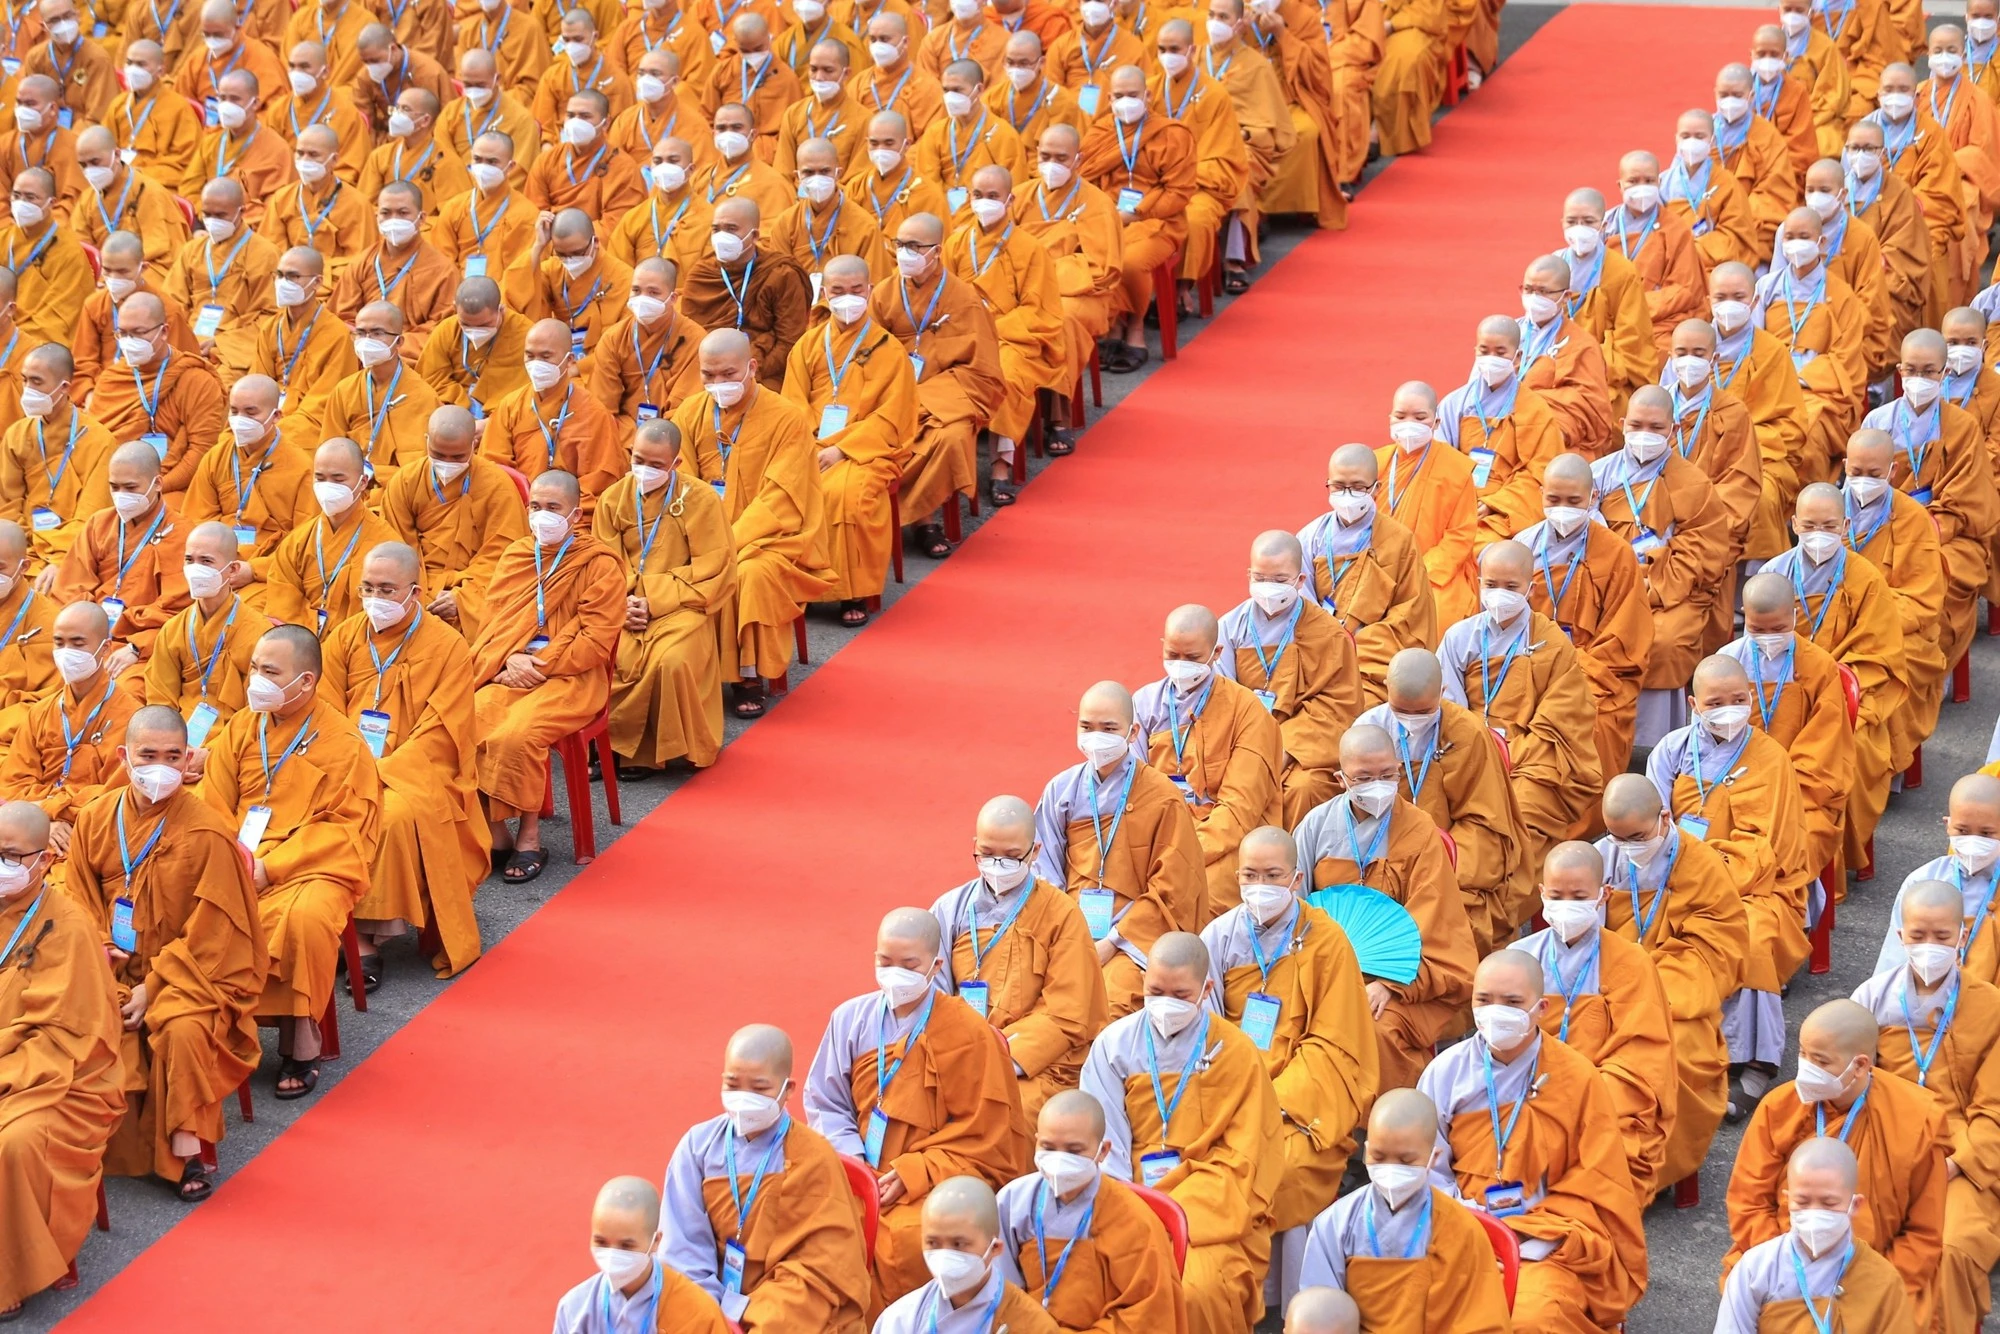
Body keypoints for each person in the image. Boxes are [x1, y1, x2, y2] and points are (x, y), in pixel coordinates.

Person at [64, 705, 262, 1199]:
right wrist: (105, 958)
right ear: (123, 757)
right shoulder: (94, 818)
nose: (160, 767)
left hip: (187, 972)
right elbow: (76, 903)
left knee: (183, 1026)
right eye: (147, 755)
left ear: (189, 759)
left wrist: (152, 988)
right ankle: (75, 1143)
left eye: (172, 757)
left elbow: (214, 935)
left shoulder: (208, 831)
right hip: (106, 962)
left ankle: (185, 1147)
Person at [804, 907, 1032, 1307]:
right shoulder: (849, 1019)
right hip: (857, 1171)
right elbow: (826, 1102)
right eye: (885, 962)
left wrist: (914, 1171)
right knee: (807, 1227)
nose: (896, 973)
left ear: (936, 964)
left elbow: (987, 1138)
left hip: (934, 1181)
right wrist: (856, 1165)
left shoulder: (967, 1033)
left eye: (910, 965)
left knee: (908, 1243)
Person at [1416, 949, 1649, 1331]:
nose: (1495, 1011)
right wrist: (1467, 1228)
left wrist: (1526, 1239)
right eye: (1484, 1000)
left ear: (1540, 1008)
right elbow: (1425, 1165)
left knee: (1534, 1317)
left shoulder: (1578, 1077)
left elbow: (1596, 1181)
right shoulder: (1445, 1073)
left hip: (1542, 1238)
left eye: (1511, 1003)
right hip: (1454, 1227)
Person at [199, 624, 378, 1100]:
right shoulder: (242, 727)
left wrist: (270, 867)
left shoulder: (343, 742)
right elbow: (211, 802)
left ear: (306, 682)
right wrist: (230, 856)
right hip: (238, 854)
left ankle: (301, 1035)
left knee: (303, 917)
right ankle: (207, 1028)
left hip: (312, 863)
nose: (256, 679)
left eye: (270, 672)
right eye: (254, 668)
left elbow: (343, 827)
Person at [1079, 930, 1281, 1334]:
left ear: (1207, 989)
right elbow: (1104, 1145)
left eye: (1181, 994)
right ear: (1143, 982)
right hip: (1131, 1197)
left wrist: (1178, 1210)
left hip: (1210, 1209)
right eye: (1156, 990)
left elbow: (1244, 1157)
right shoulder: (1113, 1046)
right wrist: (1132, 1208)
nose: (1166, 1003)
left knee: (1198, 1291)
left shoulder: (1236, 1052)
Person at [1202, 826, 1376, 1267]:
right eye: (1249, 876)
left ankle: (1282, 1296)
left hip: (1297, 1099)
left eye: (1273, 875)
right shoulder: (1219, 936)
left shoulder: (1327, 940)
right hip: (1230, 1083)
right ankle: (1225, 1277)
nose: (1260, 887)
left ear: (1296, 880)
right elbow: (1205, 1029)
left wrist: (1276, 1101)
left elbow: (1335, 1042)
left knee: (1287, 1166)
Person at [319, 542, 488, 982]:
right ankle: (329, 923)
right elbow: (325, 713)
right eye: (368, 588)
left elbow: (440, 732)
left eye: (388, 590)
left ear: (415, 592)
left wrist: (383, 770)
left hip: (418, 772)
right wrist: (350, 765)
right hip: (347, 764)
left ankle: (365, 936)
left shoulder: (448, 645)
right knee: (318, 811)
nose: (376, 599)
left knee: (389, 817)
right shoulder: (344, 636)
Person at [1724, 998, 1949, 1328]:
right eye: (1802, 1054)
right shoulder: (1780, 1107)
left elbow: (1924, 1233)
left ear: (1859, 1065)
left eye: (1820, 1060)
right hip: (1784, 1265)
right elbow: (1747, 1203)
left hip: (1877, 1275)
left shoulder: (1916, 1119)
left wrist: (1870, 1281)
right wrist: (1786, 1267)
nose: (1805, 1067)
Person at [1291, 723, 1477, 1090]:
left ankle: (1388, 1133)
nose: (1378, 785)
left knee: (1377, 1029)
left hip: (1401, 979)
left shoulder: (1419, 830)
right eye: (1363, 777)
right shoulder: (1315, 825)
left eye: (1387, 775)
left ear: (1398, 772)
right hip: (1325, 967)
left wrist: (1391, 985)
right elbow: (1295, 909)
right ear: (1341, 779)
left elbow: (1434, 921)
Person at [658, 1024, 873, 1331]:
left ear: (788, 1091)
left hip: (783, 1300)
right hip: (709, 1292)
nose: (744, 1099)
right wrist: (710, 1307)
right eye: (733, 1086)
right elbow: (682, 1245)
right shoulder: (697, 1146)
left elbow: (826, 1267)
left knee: (782, 1320)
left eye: (759, 1089)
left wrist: (743, 1309)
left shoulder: (815, 1157)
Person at [0, 799, 123, 1323]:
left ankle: (10, 1275)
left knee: (13, 1143)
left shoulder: (68, 926)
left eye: (10, 856)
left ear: (43, 861)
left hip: (59, 1079)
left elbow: (65, 1039)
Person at [670, 328, 834, 715]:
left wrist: (731, 540)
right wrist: (701, 536)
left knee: (749, 573)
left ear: (752, 368)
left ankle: (747, 675)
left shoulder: (787, 418)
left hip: (770, 538)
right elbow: (682, 483)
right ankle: (688, 669)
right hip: (701, 532)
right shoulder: (690, 412)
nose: (718, 384)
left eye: (728, 374)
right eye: (709, 375)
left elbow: (781, 497)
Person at [471, 469, 623, 884]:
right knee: (468, 720)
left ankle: (530, 836)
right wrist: (509, 662)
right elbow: (492, 627)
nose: (542, 516)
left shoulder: (600, 564)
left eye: (553, 508)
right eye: (535, 507)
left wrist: (537, 665)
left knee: (516, 735)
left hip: (570, 678)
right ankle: (496, 831)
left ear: (575, 515)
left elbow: (594, 641)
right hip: (512, 670)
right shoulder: (517, 556)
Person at [1596, 772, 1744, 1188]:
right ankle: (1591, 1171)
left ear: (1664, 818)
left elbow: (1715, 949)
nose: (1626, 848)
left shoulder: (1702, 865)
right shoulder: (1602, 856)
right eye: (1615, 836)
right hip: (1606, 988)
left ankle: (1648, 1172)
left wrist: (1647, 987)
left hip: (1675, 994)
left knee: (1676, 1053)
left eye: (1637, 836)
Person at [1031, 680, 1204, 1018]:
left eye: (1109, 728)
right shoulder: (1061, 790)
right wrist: (1067, 933)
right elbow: (1044, 870)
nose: (1097, 736)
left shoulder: (1161, 797)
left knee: (1105, 1005)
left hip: (1131, 938)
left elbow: (1173, 888)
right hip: (1068, 928)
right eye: (1087, 727)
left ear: (1132, 730)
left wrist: (1112, 941)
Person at [929, 795, 1107, 1117]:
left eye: (1011, 857)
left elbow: (1067, 1011)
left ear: (1034, 852)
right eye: (987, 854)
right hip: (958, 1053)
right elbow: (933, 996)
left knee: (1005, 1113)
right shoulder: (949, 909)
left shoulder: (1061, 914)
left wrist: (1003, 1057)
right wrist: (960, 1053)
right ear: (975, 846)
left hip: (1029, 1063)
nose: (997, 866)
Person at [1520, 840, 1678, 1201]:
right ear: (1542, 893)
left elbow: (1639, 1057)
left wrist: (1583, 1098)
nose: (1566, 906)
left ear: (1603, 895)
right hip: (1530, 1087)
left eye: (1579, 897)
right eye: (1557, 895)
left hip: (1604, 1096)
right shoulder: (1520, 958)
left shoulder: (1630, 962)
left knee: (1603, 1152)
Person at [1761, 482, 1907, 867]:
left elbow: (1879, 654)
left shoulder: (1866, 578)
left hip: (1844, 689)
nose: (1818, 535)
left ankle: (1836, 852)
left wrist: (1830, 678)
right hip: (1781, 687)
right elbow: (1756, 649)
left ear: (1845, 525)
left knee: (1850, 750)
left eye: (1828, 526)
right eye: (1809, 526)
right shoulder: (1772, 574)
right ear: (1794, 524)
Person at [1438, 539, 1602, 867]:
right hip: (1468, 745)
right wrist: (1479, 743)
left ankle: (1510, 894)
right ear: (1478, 583)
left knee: (1522, 814)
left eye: (1511, 586)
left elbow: (1561, 714)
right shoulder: (1459, 636)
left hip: (1530, 753)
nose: (1500, 593)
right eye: (1492, 584)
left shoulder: (1551, 641)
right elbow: (1447, 705)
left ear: (1530, 588)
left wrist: (1512, 750)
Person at [1294, 1087, 1512, 1332]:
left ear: (1433, 1157)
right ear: (1365, 1150)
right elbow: (1319, 1312)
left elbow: (1480, 1321)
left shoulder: (1462, 1230)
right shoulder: (1334, 1223)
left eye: (1406, 1161)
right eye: (1378, 1156)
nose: (1390, 1168)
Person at [1354, 648, 1528, 953]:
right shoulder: (1368, 730)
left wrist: (1434, 864)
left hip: (1451, 854)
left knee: (1455, 917)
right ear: (1387, 689)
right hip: (1380, 851)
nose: (1411, 720)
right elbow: (1351, 811)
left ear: (1443, 692)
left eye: (1422, 712)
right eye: (1400, 710)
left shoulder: (1467, 731)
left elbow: (1486, 825)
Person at [1592, 385, 1732, 746]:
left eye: (1656, 428)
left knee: (1664, 641)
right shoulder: (1598, 475)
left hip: (1666, 590)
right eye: (1637, 425)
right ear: (1622, 424)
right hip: (1604, 585)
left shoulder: (1693, 482)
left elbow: (1704, 550)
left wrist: (1653, 584)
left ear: (1672, 431)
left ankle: (1653, 744)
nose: (1645, 435)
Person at [780, 254, 914, 625]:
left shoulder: (890, 350)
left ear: (869, 291)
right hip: (811, 445)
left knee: (846, 495)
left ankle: (852, 591)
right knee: (783, 490)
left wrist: (843, 448)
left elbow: (893, 417)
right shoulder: (807, 346)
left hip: (864, 452)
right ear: (824, 293)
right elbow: (792, 404)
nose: (847, 298)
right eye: (838, 291)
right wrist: (812, 446)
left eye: (856, 290)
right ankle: (797, 583)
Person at [595, 418, 734, 775]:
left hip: (683, 607)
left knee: (669, 661)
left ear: (676, 464)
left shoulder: (700, 499)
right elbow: (604, 565)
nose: (645, 470)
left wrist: (652, 599)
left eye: (656, 465)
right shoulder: (613, 499)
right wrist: (622, 603)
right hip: (624, 607)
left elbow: (713, 569)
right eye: (639, 460)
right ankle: (610, 745)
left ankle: (654, 750)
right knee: (606, 656)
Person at [1863, 328, 2000, 679]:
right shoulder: (1877, 422)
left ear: (1943, 373)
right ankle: (1876, 668)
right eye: (1912, 370)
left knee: (1935, 578)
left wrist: (1926, 529)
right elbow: (1861, 489)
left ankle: (1923, 671)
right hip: (1886, 525)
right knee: (1864, 581)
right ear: (1899, 371)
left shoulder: (1962, 426)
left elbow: (1969, 499)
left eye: (1928, 371)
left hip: (1948, 534)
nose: (1919, 379)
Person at [1515, 452, 1651, 796]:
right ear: (1541, 495)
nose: (1563, 508)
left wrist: (1570, 674)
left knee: (1592, 725)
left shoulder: (1617, 553)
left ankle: (1580, 816)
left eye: (1574, 501)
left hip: (1593, 674)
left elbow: (1623, 637)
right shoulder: (1521, 548)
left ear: (1592, 498)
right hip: (1527, 665)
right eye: (1554, 499)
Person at [1134, 604, 1282, 920]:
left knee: (1200, 894)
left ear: (1216, 653)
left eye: (1192, 659)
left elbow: (1240, 806)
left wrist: (1185, 852)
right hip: (1161, 832)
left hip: (1221, 838)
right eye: (1173, 655)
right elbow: (1132, 792)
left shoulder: (1246, 710)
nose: (1181, 665)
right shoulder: (1143, 704)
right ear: (1162, 646)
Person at [993, 1089, 1186, 1330]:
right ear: (1037, 1141)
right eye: (1048, 1147)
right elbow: (1000, 1290)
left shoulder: (1132, 1218)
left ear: (1103, 1151)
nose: (1059, 1160)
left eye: (1074, 1151)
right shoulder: (1013, 1201)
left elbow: (1148, 1312)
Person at [878, 210, 1003, 559]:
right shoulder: (884, 293)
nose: (905, 253)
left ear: (937, 251)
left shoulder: (963, 298)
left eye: (915, 247)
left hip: (948, 393)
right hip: (892, 391)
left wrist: (925, 398)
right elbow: (865, 353)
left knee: (951, 437)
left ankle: (922, 518)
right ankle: (890, 515)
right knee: (885, 431)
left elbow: (981, 370)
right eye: (900, 244)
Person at [1217, 530, 1363, 824]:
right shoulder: (1230, 628)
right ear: (1248, 576)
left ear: (1300, 580)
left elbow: (1336, 708)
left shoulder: (1328, 633)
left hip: (1302, 750)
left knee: (1302, 788)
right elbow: (1221, 701)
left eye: (1280, 581)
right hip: (1243, 740)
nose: (1269, 588)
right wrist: (1254, 749)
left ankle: (1293, 865)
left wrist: (1285, 749)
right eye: (1260, 578)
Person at [1721, 571, 1855, 880]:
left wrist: (1780, 788)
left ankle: (1784, 912)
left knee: (1787, 847)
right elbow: (1705, 738)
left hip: (1800, 790)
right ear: (1745, 618)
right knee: (1702, 844)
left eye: (1779, 628)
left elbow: (1826, 746)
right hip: (1735, 782)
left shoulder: (1818, 665)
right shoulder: (1726, 663)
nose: (1768, 636)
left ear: (1795, 615)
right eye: (1757, 629)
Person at [944, 164, 1062, 506]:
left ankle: (999, 469)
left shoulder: (1029, 249)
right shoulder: (956, 244)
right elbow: (943, 299)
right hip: (963, 336)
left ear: (1010, 200)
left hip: (1012, 338)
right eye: (978, 195)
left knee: (1006, 376)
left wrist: (992, 329)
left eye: (993, 196)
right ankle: (947, 472)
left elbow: (1039, 310)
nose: (984, 202)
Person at [1715, 1138, 1918, 1334]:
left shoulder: (1882, 1280)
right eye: (1802, 1202)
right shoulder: (1756, 1268)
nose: (1814, 1213)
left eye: (1829, 1204)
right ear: (1788, 1200)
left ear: (1854, 1205)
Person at [1294, 443, 1436, 706]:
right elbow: (1300, 603)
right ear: (1328, 485)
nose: (1347, 494)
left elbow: (1411, 613)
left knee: (1365, 707)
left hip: (1372, 658)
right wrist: (1329, 638)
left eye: (1358, 487)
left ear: (1376, 489)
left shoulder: (1398, 540)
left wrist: (1356, 643)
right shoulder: (1309, 537)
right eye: (1338, 486)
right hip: (1319, 652)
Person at [1844, 426, 1948, 773]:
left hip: (1894, 631)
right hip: (1834, 625)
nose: (1863, 481)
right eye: (1855, 473)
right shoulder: (1826, 512)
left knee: (1888, 672)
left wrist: (1868, 622)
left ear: (1893, 471)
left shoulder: (1913, 518)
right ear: (1844, 467)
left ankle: (1878, 767)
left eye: (1873, 474)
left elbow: (1921, 599)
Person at [1078, 65, 1194, 373]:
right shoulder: (1101, 131)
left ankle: (1136, 329)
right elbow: (1084, 180)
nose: (1125, 102)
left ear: (1148, 95)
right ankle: (1112, 327)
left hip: (1158, 221)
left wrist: (1137, 213)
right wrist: (1105, 214)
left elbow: (1178, 191)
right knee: (1088, 255)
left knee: (1128, 261)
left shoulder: (1171, 134)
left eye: (1132, 95)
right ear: (1110, 98)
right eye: (1118, 96)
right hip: (1107, 218)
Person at [380, 406, 527, 643]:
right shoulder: (405, 482)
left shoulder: (498, 487)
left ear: (474, 445)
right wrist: (417, 594)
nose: (447, 463)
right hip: (416, 584)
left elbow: (505, 556)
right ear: (426, 441)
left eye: (458, 457)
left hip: (476, 588)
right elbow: (395, 549)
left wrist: (463, 598)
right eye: (438, 454)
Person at [0, 598, 139, 837]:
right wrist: (45, 820)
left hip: (90, 831)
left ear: (105, 648)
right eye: (59, 643)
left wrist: (48, 809)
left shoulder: (131, 718)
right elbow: (13, 783)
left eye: (77, 644)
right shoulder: (40, 712)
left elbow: (115, 795)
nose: (66, 653)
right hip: (35, 828)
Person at [178, 375, 313, 613]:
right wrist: (215, 564)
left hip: (268, 569)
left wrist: (254, 569)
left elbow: (304, 544)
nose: (240, 421)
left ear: (276, 416)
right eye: (235, 411)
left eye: (251, 413)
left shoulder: (300, 466)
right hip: (212, 561)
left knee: (248, 612)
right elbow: (197, 519)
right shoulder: (217, 457)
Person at [52, 441, 191, 662]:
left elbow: (177, 613)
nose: (121, 495)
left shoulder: (183, 535)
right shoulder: (99, 523)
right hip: (89, 636)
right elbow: (70, 587)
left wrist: (138, 647)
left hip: (142, 643)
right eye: (114, 487)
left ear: (157, 483)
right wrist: (87, 628)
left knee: (126, 688)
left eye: (130, 487)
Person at [1663, 320, 1760, 630]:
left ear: (1714, 359)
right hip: (1654, 527)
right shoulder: (1653, 409)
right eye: (1682, 352)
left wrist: (1701, 528)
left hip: (1709, 528)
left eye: (1698, 352)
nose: (1689, 360)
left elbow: (1740, 484)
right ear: (1670, 357)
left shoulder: (1732, 412)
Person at [476, 317, 625, 518]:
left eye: (546, 357)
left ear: (570, 360)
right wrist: (526, 506)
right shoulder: (510, 406)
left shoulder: (594, 413)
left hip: (572, 517)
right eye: (530, 356)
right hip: (518, 510)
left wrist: (558, 511)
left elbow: (600, 481)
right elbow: (494, 468)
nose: (536, 364)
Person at [872, 1176, 1060, 1334]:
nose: (945, 1254)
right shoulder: (901, 1318)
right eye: (933, 1243)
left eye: (959, 1244)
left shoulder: (1034, 1325)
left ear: (995, 1248)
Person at [84, 290, 226, 498]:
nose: (128, 341)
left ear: (164, 331)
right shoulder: (111, 379)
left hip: (173, 488)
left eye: (138, 333)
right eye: (122, 334)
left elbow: (201, 451)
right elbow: (96, 448)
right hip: (116, 486)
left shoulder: (196, 380)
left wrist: (156, 489)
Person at [550, 1176, 735, 1334]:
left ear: (656, 1241)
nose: (613, 1254)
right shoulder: (574, 1308)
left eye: (626, 1246)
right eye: (601, 1242)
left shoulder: (696, 1310)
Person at [1437, 315, 1565, 543]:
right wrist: (1459, 502)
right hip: (1456, 503)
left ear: (1517, 358)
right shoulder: (1454, 403)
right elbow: (1438, 461)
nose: (1491, 359)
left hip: (1504, 511)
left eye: (1500, 353)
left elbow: (1542, 474)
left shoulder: (1535, 410)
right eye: (1484, 351)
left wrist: (1496, 504)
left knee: (1490, 552)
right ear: (1475, 351)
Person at [1154, 17, 1247, 312]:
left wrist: (1183, 179)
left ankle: (1180, 289)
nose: (1167, 56)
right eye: (1161, 49)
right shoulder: (1150, 90)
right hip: (1156, 183)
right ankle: (1143, 294)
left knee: (1194, 220)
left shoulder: (1215, 94)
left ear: (1192, 51)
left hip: (1199, 184)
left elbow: (1222, 155)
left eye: (1174, 48)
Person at [263, 437, 398, 634]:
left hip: (355, 641)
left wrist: (336, 642)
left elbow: (383, 609)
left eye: (338, 479)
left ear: (362, 483)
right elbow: (282, 600)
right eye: (320, 478)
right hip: (301, 641)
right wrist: (306, 637)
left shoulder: (385, 544)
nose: (328, 486)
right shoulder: (298, 540)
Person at [0, 344, 115, 572]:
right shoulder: (17, 434)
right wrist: (18, 545)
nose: (27, 389)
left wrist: (59, 560)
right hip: (21, 545)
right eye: (24, 380)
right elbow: (7, 504)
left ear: (63, 387)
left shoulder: (100, 441)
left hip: (74, 550)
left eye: (37, 381)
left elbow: (91, 516)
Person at [1880, 773, 2000, 989]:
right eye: (1962, 831)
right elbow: (1895, 956)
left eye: (1986, 833)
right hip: (1927, 996)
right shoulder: (1924, 880)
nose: (1973, 840)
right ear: (1948, 825)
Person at [681, 197, 814, 390]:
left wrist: (750, 373)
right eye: (716, 229)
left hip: (765, 370)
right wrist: (716, 372)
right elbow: (690, 337)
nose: (722, 236)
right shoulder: (702, 274)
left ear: (754, 236)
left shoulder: (781, 273)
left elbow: (789, 341)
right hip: (710, 371)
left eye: (731, 229)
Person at [142, 522, 261, 732]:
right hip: (178, 738)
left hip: (232, 739)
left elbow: (257, 712)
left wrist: (213, 752)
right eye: (189, 560)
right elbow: (160, 700)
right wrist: (172, 747)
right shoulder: (173, 630)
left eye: (206, 561)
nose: (196, 569)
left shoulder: (258, 633)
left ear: (233, 569)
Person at [1376, 381, 1478, 626]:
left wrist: (1419, 571)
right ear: (1390, 418)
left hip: (1433, 572)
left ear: (1436, 423)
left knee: (1438, 616)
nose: (1409, 424)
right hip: (1379, 567)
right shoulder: (1375, 463)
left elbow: (1460, 534)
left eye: (1420, 417)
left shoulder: (1456, 468)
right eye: (1401, 416)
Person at [163, 175, 279, 381]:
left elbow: (270, 316)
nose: (212, 221)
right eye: (207, 214)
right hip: (188, 341)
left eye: (221, 215)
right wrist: (185, 341)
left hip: (234, 347)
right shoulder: (192, 250)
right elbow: (172, 304)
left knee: (214, 387)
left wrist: (220, 342)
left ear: (241, 212)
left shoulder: (265, 254)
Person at [1559, 187, 1660, 418]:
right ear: (1562, 223)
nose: (1580, 228)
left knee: (1604, 408)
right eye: (1572, 221)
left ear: (1603, 225)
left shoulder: (1622, 272)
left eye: (1588, 221)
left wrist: (1589, 362)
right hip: (1558, 365)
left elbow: (1632, 338)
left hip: (1603, 370)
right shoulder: (1554, 267)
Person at [71, 232, 201, 407]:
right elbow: (83, 361)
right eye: (107, 271)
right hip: (102, 393)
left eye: (123, 272)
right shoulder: (94, 305)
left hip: (152, 395)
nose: (114, 279)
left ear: (144, 268)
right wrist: (89, 395)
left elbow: (180, 368)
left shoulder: (167, 311)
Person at [249, 245, 360, 445]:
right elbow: (257, 384)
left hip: (309, 420)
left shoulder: (336, 333)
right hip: (269, 414)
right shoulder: (270, 328)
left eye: (293, 276)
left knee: (287, 442)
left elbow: (325, 400)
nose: (283, 283)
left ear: (317, 282)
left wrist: (280, 426)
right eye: (280, 275)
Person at [321, 302, 442, 485]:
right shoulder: (344, 390)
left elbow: (419, 469)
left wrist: (377, 472)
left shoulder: (422, 396)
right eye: (360, 333)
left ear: (399, 341)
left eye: (377, 333)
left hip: (397, 489)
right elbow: (328, 451)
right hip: (349, 487)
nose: (367, 340)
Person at [327, 180, 456, 348]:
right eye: (386, 213)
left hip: (408, 349)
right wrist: (365, 339)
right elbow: (341, 317)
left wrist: (392, 343)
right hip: (363, 346)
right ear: (377, 216)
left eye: (403, 213)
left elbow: (443, 328)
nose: (394, 220)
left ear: (422, 218)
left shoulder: (443, 270)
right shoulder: (361, 263)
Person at [1845, 119, 1934, 355]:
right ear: (1845, 150)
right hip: (1838, 279)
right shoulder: (1836, 189)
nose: (1860, 155)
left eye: (1869, 149)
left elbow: (1906, 251)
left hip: (1881, 279)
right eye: (1854, 148)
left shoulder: (1899, 192)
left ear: (1882, 152)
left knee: (1882, 309)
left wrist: (1868, 271)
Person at [1606, 149, 1708, 350]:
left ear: (1659, 183)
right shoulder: (1606, 226)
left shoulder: (1675, 228)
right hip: (1610, 318)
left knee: (1669, 351)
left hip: (1657, 321)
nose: (1641, 188)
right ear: (1620, 185)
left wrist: (1633, 308)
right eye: (1633, 182)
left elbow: (1686, 289)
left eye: (1649, 181)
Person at [504, 206, 634, 362]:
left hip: (600, 366)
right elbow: (513, 298)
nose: (570, 261)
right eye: (562, 254)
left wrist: (578, 368)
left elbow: (624, 342)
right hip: (555, 361)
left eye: (577, 253)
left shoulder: (624, 278)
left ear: (596, 242)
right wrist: (538, 246)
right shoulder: (554, 269)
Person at [1515, 252, 1615, 455]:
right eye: (1528, 289)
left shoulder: (1583, 344)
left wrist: (1537, 413)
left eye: (1544, 292)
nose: (1535, 298)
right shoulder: (1506, 334)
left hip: (1554, 434)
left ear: (1566, 296)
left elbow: (1589, 408)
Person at [72, 126, 190, 283]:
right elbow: (80, 248)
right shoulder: (88, 199)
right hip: (104, 272)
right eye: (84, 165)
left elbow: (159, 249)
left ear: (117, 154)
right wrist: (103, 275)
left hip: (144, 268)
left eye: (95, 162)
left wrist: (121, 270)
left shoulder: (149, 192)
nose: (90, 170)